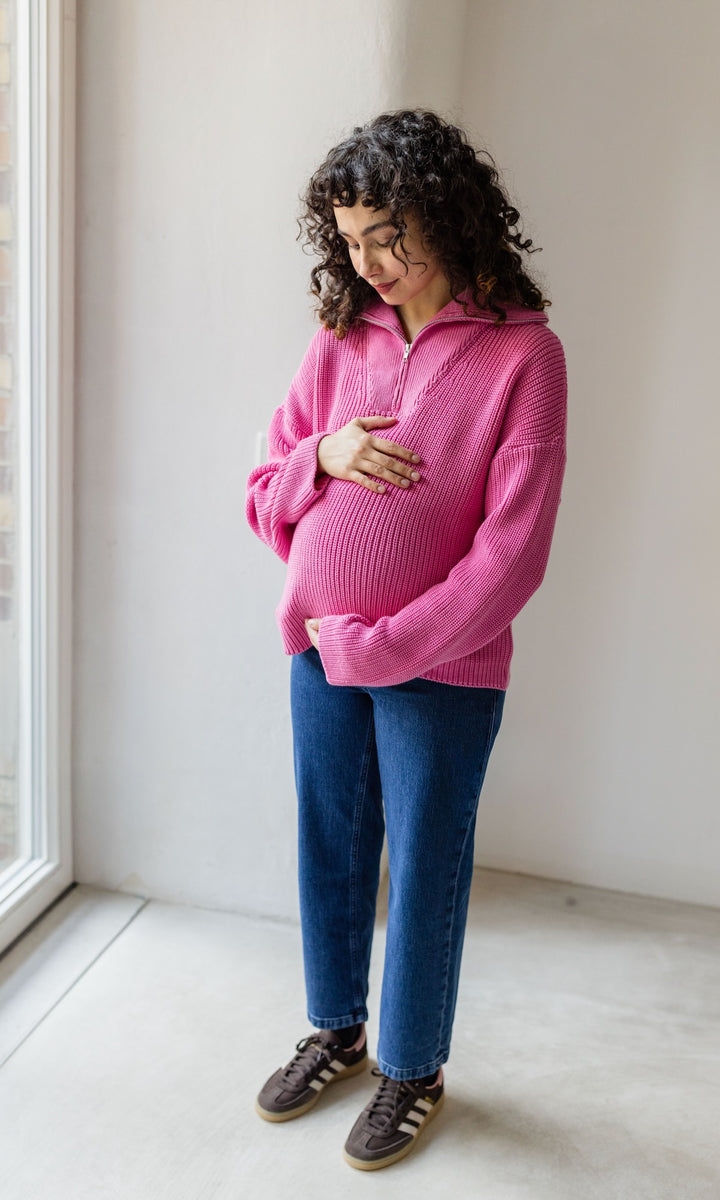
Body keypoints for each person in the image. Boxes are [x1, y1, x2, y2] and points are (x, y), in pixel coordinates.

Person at [246, 109, 567, 1171]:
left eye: (390, 232)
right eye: (350, 240)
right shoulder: (337, 342)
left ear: (446, 212)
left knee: (425, 863)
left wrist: (387, 645)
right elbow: (261, 494)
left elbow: (510, 558)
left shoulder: (526, 357)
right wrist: (324, 458)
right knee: (329, 846)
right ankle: (336, 1030)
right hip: (318, 649)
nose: (372, 261)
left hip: (442, 666)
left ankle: (412, 1068)